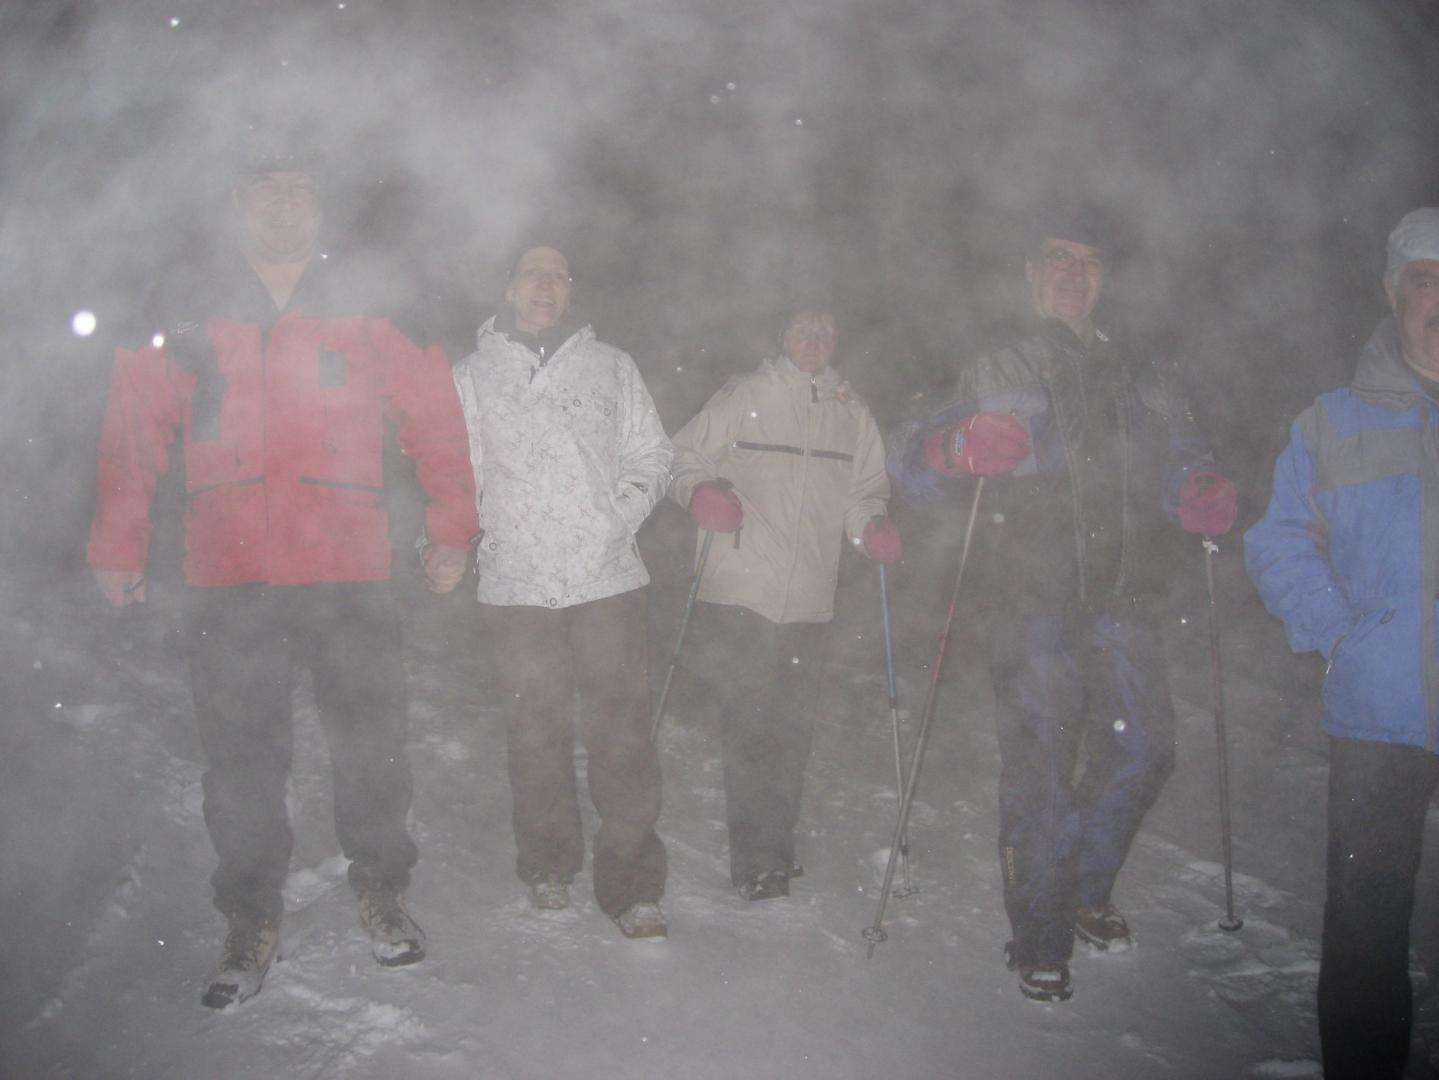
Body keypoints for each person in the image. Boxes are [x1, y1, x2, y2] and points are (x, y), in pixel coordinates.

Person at [86, 140, 479, 1008]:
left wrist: (451, 526)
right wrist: (118, 542)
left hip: (348, 566)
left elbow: (433, 416)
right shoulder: (187, 305)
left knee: (371, 746)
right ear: (238, 202)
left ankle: (381, 888)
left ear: (323, 204)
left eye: (300, 189)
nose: (284, 205)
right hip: (228, 570)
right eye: (267, 190)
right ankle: (250, 914)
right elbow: (134, 425)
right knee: (240, 761)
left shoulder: (371, 301)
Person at [891, 208, 1237, 1002]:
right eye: (1056, 257)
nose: (1072, 274)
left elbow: (1182, 455)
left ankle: (1081, 885)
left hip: (1123, 594)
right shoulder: (989, 362)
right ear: (1029, 271)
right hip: (1028, 597)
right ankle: (1040, 935)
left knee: (1145, 750)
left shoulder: (1140, 370)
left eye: (1087, 261)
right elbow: (906, 456)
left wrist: (1195, 487)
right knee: (1042, 768)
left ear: (1104, 277)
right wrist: (949, 447)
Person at [1245, 208, 1439, 1079]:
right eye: (1425, 281)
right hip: (1377, 711)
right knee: (1366, 929)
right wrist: (1337, 635)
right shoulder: (1330, 422)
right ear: (1393, 294)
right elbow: (1278, 539)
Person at [452, 243, 673, 939]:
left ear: (570, 290)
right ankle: (547, 864)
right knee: (534, 732)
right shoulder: (471, 375)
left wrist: (616, 517)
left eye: (557, 276)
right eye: (532, 274)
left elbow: (652, 453)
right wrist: (463, 537)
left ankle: (632, 888)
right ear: (508, 286)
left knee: (621, 738)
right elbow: (455, 472)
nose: (545, 285)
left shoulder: (611, 366)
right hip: (517, 582)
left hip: (605, 578)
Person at [668, 305, 897, 901]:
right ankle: (756, 860)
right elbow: (681, 454)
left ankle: (775, 844)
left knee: (791, 731)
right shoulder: (746, 393)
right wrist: (701, 492)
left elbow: (865, 493)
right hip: (742, 586)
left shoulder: (851, 412)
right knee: (751, 726)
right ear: (782, 335)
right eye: (803, 328)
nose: (815, 338)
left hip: (811, 598)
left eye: (826, 329)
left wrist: (870, 528)